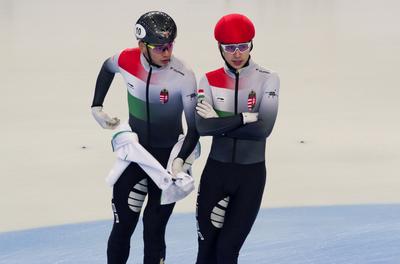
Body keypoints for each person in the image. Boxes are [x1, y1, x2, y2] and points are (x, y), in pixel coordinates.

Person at [90, 11, 199, 264]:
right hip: (137, 156)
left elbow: (194, 129)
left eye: (170, 45)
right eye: (160, 47)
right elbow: (107, 68)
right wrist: (96, 106)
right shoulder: (126, 59)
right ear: (142, 45)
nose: (167, 52)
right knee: (122, 226)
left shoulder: (184, 75)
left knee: (153, 229)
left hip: (168, 161)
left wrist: (180, 161)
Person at [195, 13, 280, 264]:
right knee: (206, 253)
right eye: (229, 47)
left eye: (243, 46)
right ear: (220, 48)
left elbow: (263, 129)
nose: (237, 53)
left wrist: (218, 124)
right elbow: (201, 126)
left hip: (250, 177)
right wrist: (243, 118)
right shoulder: (208, 80)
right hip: (216, 173)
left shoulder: (268, 78)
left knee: (227, 252)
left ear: (251, 44)